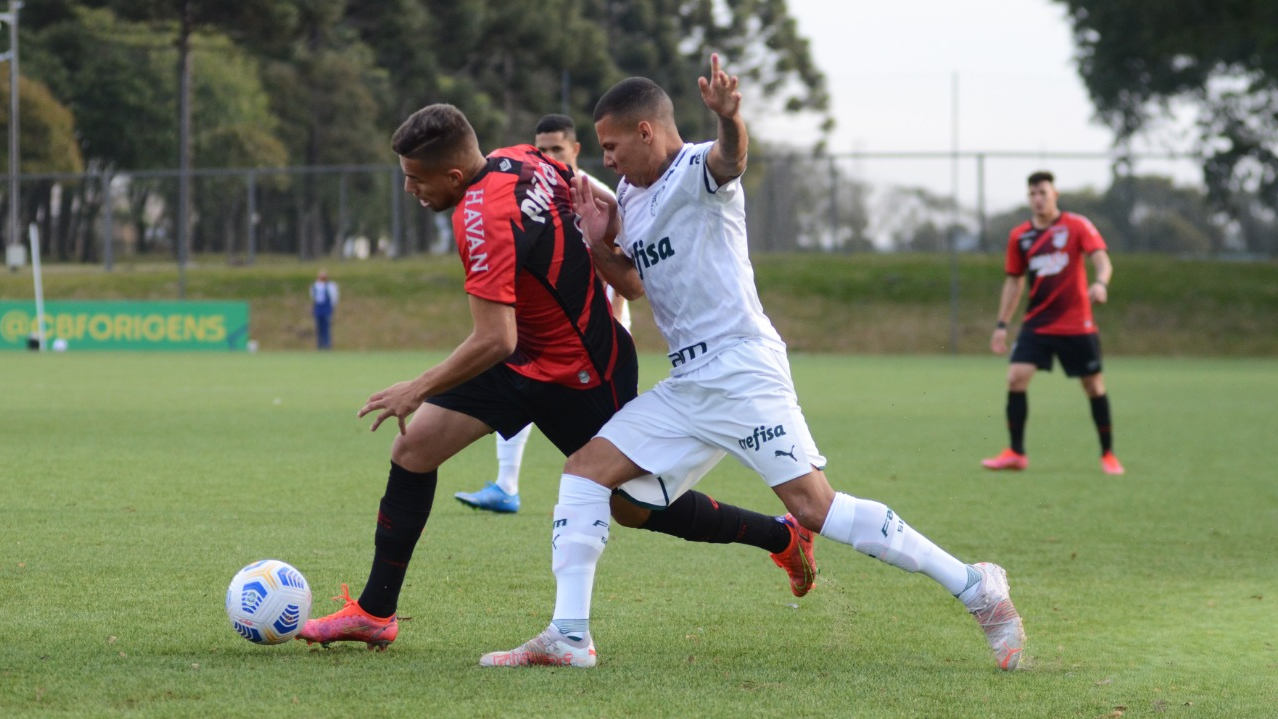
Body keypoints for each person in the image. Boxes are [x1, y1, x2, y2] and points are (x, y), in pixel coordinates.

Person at [479, 55, 1026, 671]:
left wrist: (731, 119)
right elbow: (632, 284)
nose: (605, 160)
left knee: (815, 507)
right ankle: (570, 636)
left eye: (610, 146)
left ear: (646, 132)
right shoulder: (629, 195)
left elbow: (730, 159)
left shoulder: (695, 171)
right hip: (688, 384)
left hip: (742, 370)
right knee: (591, 477)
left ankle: (979, 589)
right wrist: (596, 237)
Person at [297, 103, 818, 651]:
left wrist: (416, 387)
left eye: (414, 178)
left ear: (452, 176)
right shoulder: (523, 158)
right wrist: (619, 237)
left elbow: (496, 337)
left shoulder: (481, 219)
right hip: (522, 361)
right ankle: (376, 614)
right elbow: (603, 200)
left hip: (584, 370)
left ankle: (780, 535)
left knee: (632, 505)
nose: (409, 189)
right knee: (414, 450)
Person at [455, 114, 631, 514]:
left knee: (613, 444)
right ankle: (506, 485)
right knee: (518, 392)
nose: (550, 155)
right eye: (543, 148)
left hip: (598, 332)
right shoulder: (534, 186)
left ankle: (632, 495)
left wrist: (618, 313)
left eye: (557, 149)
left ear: (575, 150)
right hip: (549, 332)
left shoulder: (590, 192)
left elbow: (621, 257)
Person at [981, 171, 1125, 476]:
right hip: (1038, 322)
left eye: (1043, 193)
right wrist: (1002, 325)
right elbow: (1014, 283)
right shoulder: (1020, 236)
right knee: (1015, 378)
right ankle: (1016, 453)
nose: (1038, 199)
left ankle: (1108, 454)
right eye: (1032, 194)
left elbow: (1102, 260)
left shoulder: (1076, 225)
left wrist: (1101, 283)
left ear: (1054, 194)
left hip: (1077, 323)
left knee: (1093, 385)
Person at [310, 269, 339, 350]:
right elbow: (313, 297)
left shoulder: (330, 286)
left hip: (326, 309)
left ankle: (327, 346)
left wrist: (332, 307)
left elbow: (334, 297)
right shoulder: (314, 286)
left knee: (326, 328)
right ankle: (320, 345)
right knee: (319, 328)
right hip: (318, 309)